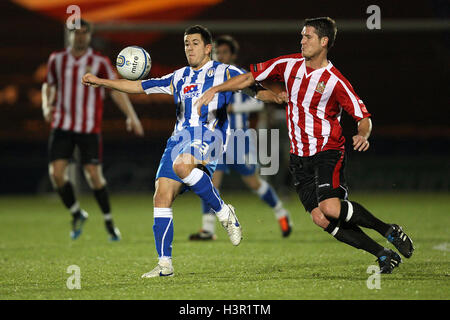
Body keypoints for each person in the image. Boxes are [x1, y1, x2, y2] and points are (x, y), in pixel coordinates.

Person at [195, 17, 414, 274]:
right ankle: (382, 254)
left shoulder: (335, 80)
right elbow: (248, 79)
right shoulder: (288, 65)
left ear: (324, 42)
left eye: (307, 36)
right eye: (301, 36)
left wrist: (362, 134)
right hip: (299, 157)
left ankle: (387, 230)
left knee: (330, 207)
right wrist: (217, 89)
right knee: (320, 218)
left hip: (327, 151)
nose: (302, 41)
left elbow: (363, 117)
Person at [82, 25, 281, 278]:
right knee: (161, 196)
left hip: (210, 135)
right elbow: (140, 86)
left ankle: (223, 212)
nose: (189, 47)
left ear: (208, 48)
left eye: (195, 43)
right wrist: (101, 82)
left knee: (182, 166)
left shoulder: (224, 71)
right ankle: (165, 265)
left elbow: (249, 83)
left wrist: (274, 97)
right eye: (187, 43)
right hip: (178, 139)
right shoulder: (179, 76)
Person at [42, 19, 144, 241]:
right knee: (56, 174)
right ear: (70, 35)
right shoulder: (56, 59)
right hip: (62, 125)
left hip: (89, 128)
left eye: (84, 33)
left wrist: (131, 116)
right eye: (76, 33)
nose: (80, 36)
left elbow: (115, 90)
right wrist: (46, 104)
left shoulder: (99, 61)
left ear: (89, 36)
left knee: (94, 177)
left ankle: (109, 222)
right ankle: (77, 213)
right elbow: (49, 84)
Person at [189, 35, 292, 241]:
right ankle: (208, 229)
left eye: (225, 52)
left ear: (233, 55)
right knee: (210, 181)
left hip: (238, 138)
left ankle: (281, 213)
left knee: (253, 182)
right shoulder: (210, 75)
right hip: (216, 138)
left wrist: (234, 108)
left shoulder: (241, 75)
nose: (221, 55)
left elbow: (258, 102)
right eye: (218, 52)